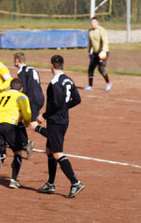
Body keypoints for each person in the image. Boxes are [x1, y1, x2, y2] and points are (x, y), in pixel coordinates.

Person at [36, 54, 84, 198]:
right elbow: (77, 99)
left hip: (56, 121)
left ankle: (75, 182)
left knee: (57, 153)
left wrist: (43, 116)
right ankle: (51, 183)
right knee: (49, 150)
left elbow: (56, 104)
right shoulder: (68, 79)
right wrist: (65, 107)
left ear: (51, 65)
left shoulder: (55, 82)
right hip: (63, 119)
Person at [0, 78, 32, 189]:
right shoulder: (22, 96)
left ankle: (0, 155)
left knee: (1, 147)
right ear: (21, 89)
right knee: (18, 152)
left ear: (9, 87)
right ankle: (13, 180)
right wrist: (26, 123)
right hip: (9, 125)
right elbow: (27, 114)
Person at [13, 52, 45, 158]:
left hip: (32, 99)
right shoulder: (32, 69)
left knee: (32, 124)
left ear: (17, 60)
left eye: (14, 60)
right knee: (19, 119)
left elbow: (24, 89)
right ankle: (26, 143)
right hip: (40, 97)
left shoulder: (21, 71)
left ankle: (51, 136)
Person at [84, 16, 112, 91]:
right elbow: (90, 42)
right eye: (91, 22)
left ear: (97, 22)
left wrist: (103, 51)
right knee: (90, 68)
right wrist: (89, 51)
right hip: (94, 53)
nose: (92, 24)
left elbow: (105, 41)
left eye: (93, 22)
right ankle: (90, 85)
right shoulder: (90, 31)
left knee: (100, 68)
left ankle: (108, 82)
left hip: (103, 52)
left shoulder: (101, 30)